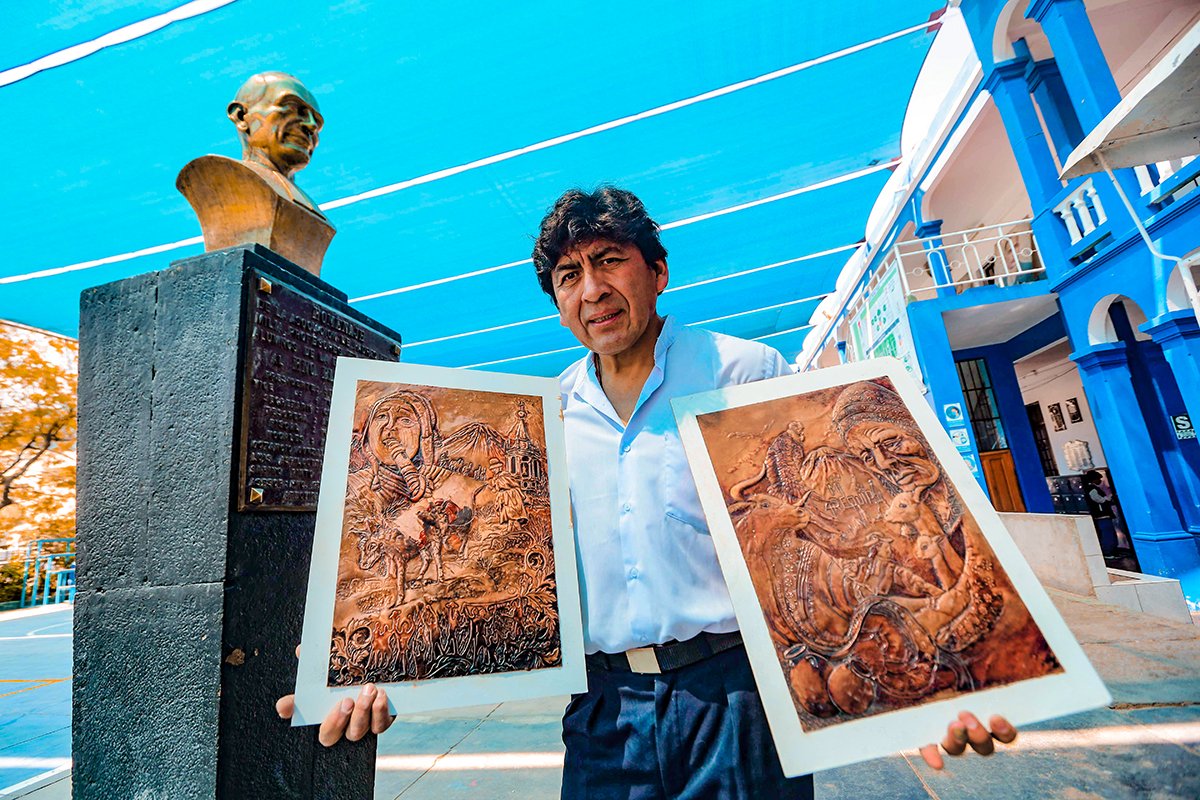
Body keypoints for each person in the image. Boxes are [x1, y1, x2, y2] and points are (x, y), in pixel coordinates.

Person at [277, 187, 1016, 788]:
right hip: (602, 713)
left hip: (737, 700)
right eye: (569, 278)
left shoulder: (745, 375)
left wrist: (930, 696)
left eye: (609, 263)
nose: (592, 290)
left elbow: (842, 525)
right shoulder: (544, 421)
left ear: (657, 272)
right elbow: (464, 559)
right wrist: (367, 676)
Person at [226, 71, 327, 216]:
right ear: (241, 117)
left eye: (317, 121)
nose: (312, 125)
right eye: (291, 106)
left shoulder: (310, 208)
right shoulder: (219, 183)